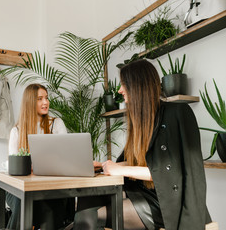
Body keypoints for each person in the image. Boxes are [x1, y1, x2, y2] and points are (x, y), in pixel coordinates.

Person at [74, 59, 212, 230]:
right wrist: (103, 166)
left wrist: (120, 169)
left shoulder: (178, 113)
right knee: (86, 200)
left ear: (138, 86)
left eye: (124, 84)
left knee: (91, 217)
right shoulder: (139, 121)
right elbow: (136, 161)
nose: (120, 90)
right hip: (141, 192)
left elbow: (167, 172)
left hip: (165, 200)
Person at [6, 83, 71, 230]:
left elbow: (66, 157)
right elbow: (14, 165)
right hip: (20, 188)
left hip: (49, 186)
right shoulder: (17, 131)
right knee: (21, 201)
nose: (46, 102)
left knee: (47, 204)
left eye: (46, 98)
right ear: (30, 101)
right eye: (40, 98)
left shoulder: (56, 124)